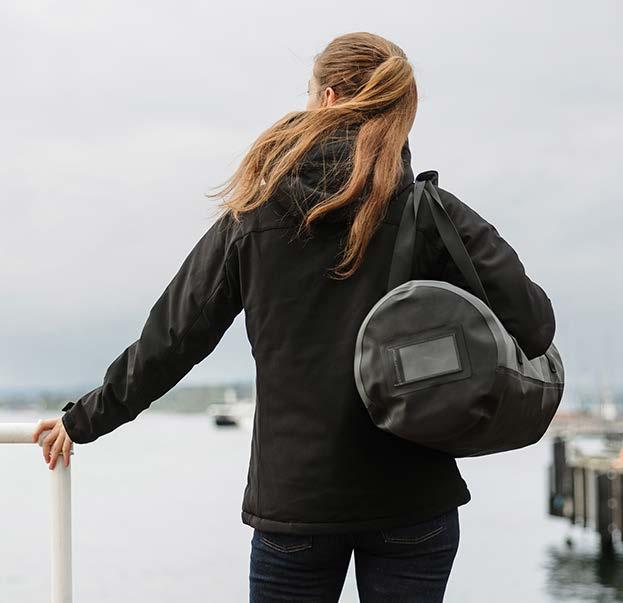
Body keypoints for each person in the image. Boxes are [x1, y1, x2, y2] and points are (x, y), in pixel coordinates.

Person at [32, 31, 556, 602]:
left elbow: (171, 340)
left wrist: (83, 420)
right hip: (413, 500)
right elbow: (533, 325)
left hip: (295, 506)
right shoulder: (431, 214)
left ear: (328, 98)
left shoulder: (253, 217)